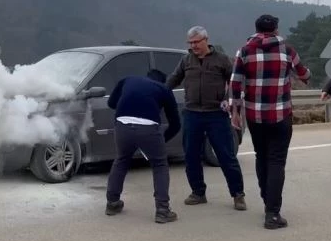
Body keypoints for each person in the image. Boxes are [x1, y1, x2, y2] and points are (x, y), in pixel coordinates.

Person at [230, 14, 310, 230]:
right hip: (280, 115)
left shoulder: (244, 50)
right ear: (276, 29)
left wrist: (235, 111)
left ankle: (267, 199)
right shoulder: (287, 50)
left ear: (256, 29)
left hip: (255, 116)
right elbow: (304, 74)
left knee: (261, 156)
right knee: (276, 161)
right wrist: (304, 74)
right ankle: (272, 213)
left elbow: (235, 82)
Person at [165, 26, 246, 210]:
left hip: (216, 115)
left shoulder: (222, 60)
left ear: (206, 40)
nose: (193, 46)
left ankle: (238, 195)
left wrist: (228, 101)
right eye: (190, 43)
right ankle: (198, 192)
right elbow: (173, 79)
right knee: (191, 156)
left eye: (196, 42)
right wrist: (158, 92)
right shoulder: (186, 60)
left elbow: (236, 83)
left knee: (226, 156)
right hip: (192, 114)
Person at [105, 69, 181, 224]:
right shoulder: (164, 89)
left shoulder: (128, 78)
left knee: (121, 160)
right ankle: (162, 210)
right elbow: (176, 124)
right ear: (162, 81)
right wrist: (161, 140)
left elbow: (111, 103)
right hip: (149, 129)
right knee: (159, 164)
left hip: (122, 124)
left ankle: (112, 203)